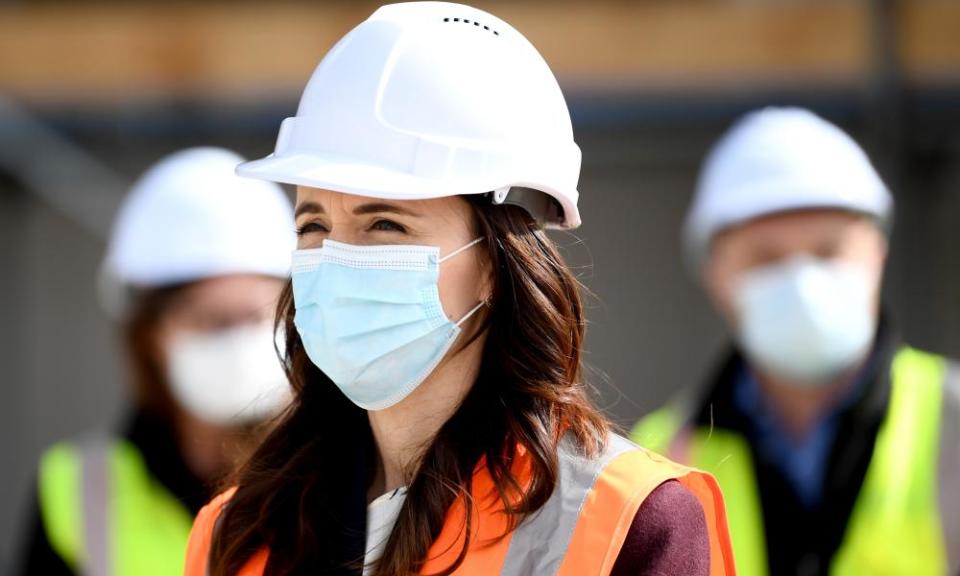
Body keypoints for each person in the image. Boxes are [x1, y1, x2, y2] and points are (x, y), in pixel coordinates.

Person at [184, 3, 736, 575]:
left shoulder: (629, 521)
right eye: (313, 226)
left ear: (497, 261)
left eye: (385, 225)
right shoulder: (235, 534)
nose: (337, 260)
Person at [632, 107, 960, 576]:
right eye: (767, 258)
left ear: (878, 254)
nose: (803, 282)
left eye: (829, 250)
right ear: (715, 274)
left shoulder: (954, 418)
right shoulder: (659, 456)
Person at [15, 147, 296, 576]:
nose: (238, 341)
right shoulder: (78, 490)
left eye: (254, 316)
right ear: (150, 336)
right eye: (210, 321)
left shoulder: (349, 472)